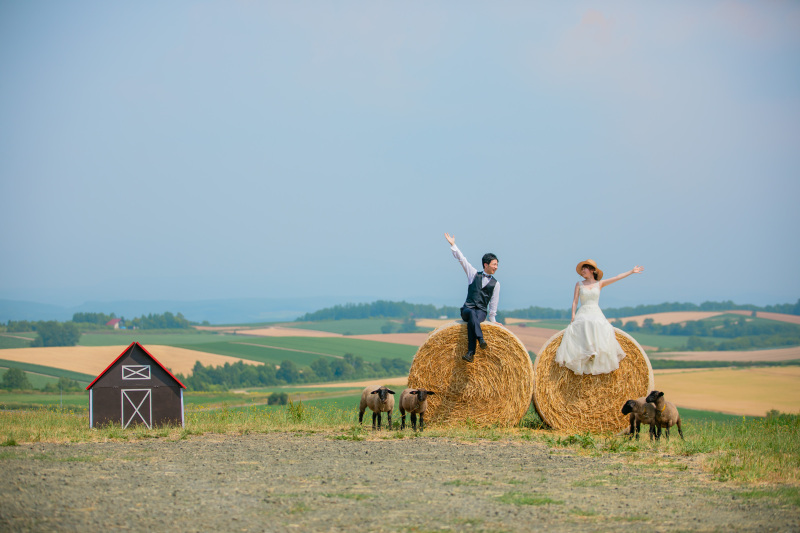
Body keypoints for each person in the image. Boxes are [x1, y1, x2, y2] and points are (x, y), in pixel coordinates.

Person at [555, 259, 644, 375]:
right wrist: (573, 315)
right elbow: (575, 302)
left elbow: (617, 277)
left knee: (600, 325)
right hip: (583, 311)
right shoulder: (579, 284)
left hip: (596, 311)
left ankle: (595, 353)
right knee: (585, 323)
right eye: (581, 270)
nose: (582, 271)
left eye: (584, 269)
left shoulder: (600, 284)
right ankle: (586, 353)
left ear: (592, 270)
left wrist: (631, 271)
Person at [444, 232, 499, 363]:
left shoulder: (496, 284)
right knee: (471, 315)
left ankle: (470, 353)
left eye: (497, 264)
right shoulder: (473, 274)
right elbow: (462, 260)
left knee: (473, 319)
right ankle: (480, 339)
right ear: (486, 265)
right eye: (494, 264)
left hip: (481, 311)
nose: (496, 267)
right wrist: (453, 245)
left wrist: (493, 319)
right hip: (467, 309)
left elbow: (493, 303)